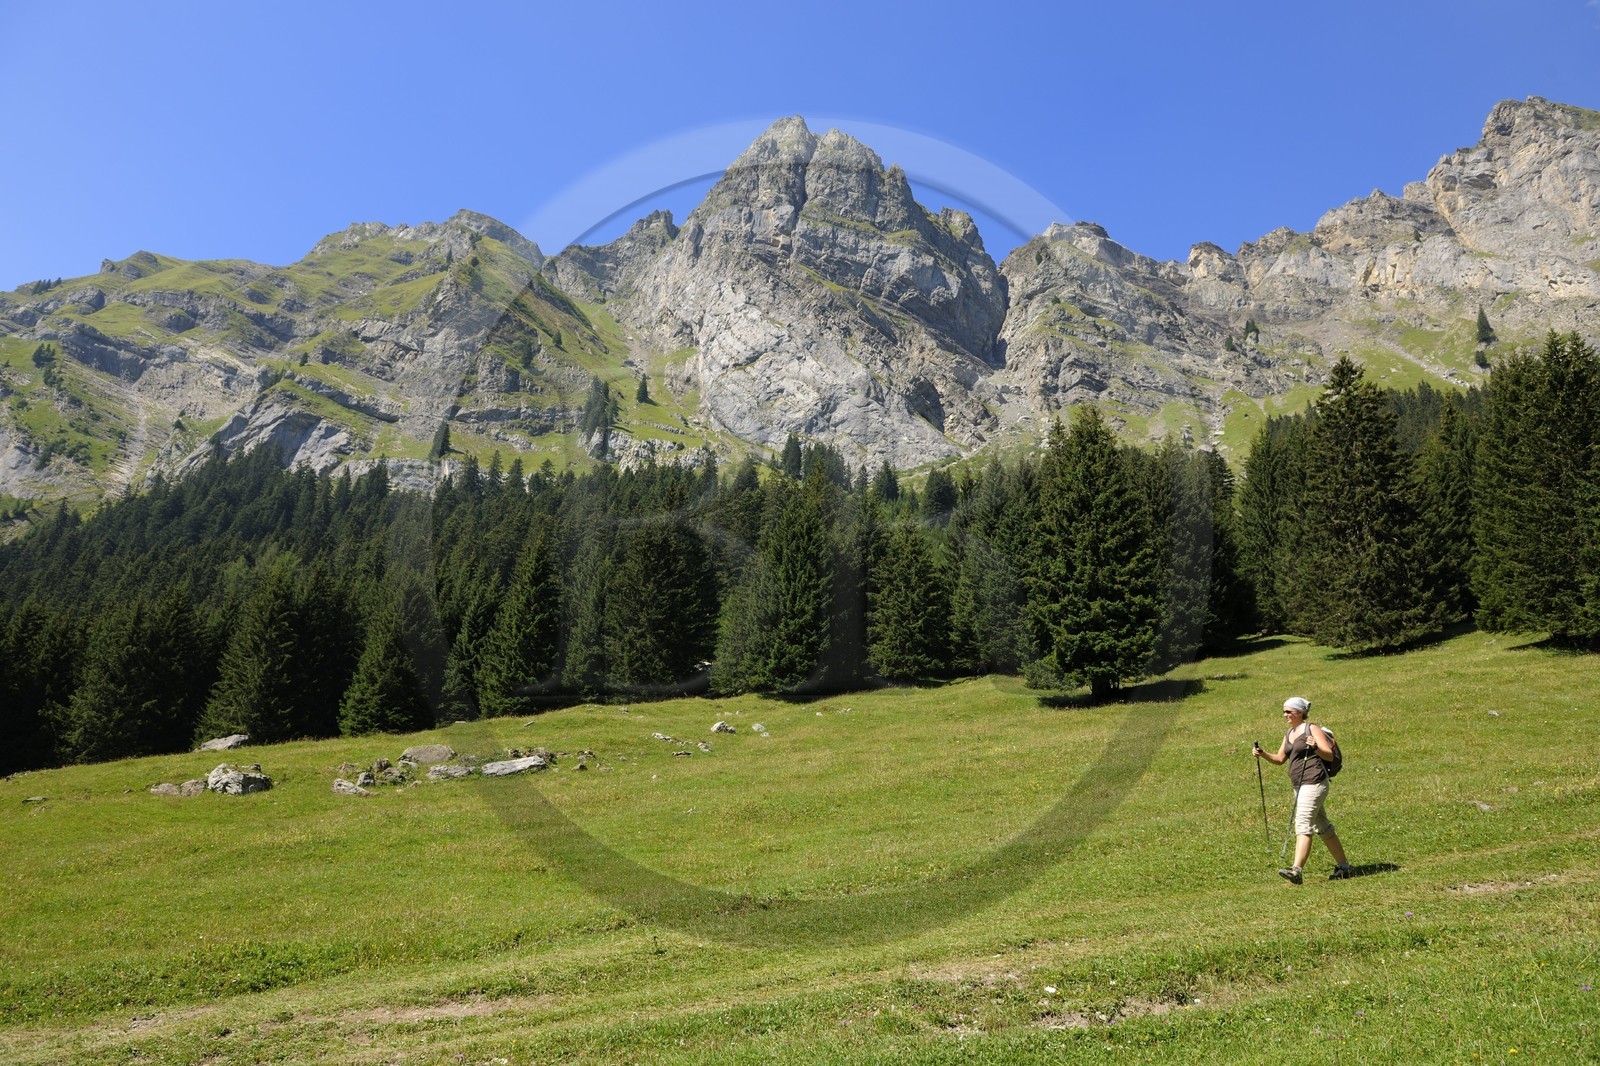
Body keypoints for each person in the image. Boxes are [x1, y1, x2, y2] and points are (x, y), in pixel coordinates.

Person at [1253, 696, 1352, 884]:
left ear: (1299, 712)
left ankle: (1296, 870)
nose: (1285, 715)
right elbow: (1280, 759)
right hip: (1299, 785)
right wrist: (1263, 754)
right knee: (1321, 826)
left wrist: (1315, 747)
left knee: (1303, 822)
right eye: (1284, 711)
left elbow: (1328, 755)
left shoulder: (1311, 728)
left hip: (1314, 782)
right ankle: (1344, 867)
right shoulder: (1290, 733)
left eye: (1289, 711)